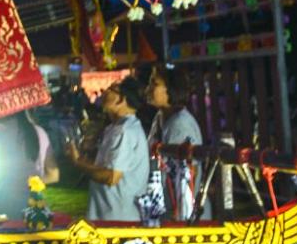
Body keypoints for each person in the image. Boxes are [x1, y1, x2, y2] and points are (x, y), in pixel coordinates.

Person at [81, 76, 150, 223]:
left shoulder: (124, 130)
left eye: (110, 89)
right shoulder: (118, 127)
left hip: (117, 218)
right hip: (109, 213)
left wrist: (77, 162)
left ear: (121, 100)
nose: (105, 92)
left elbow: (111, 176)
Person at [146, 66, 207, 219]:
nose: (148, 88)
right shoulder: (160, 117)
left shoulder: (181, 125)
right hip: (164, 207)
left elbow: (189, 174)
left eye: (155, 84)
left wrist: (180, 216)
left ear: (172, 89)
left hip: (181, 216)